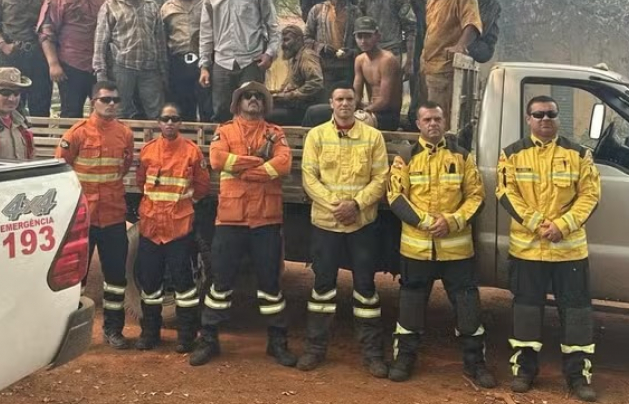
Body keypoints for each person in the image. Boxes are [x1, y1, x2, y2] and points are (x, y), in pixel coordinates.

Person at [497, 95, 602, 401]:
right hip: (528, 250)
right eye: (538, 115)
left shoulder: (579, 154)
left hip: (569, 251)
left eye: (550, 114)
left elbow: (591, 195)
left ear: (558, 119)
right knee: (526, 312)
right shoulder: (512, 154)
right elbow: (506, 193)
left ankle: (578, 376)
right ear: (528, 119)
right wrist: (538, 223)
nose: (545, 120)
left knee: (577, 314)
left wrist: (563, 225)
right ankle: (524, 371)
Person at [189, 81, 297, 368]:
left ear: (264, 104)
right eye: (247, 96)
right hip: (230, 220)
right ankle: (209, 338)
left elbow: (284, 165)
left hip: (266, 220)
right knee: (220, 284)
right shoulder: (224, 131)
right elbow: (216, 159)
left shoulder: (275, 133)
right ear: (237, 104)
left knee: (270, 286)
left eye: (259, 97)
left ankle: (277, 342)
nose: (253, 100)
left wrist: (246, 171)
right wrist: (259, 164)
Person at [385, 102, 494, 387]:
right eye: (427, 119)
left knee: (468, 308)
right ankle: (404, 359)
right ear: (418, 125)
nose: (433, 123)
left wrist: (452, 221)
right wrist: (423, 222)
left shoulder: (461, 156)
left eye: (438, 118)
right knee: (410, 307)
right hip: (416, 248)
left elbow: (476, 197)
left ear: (445, 122)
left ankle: (475, 364)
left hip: (456, 250)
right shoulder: (405, 157)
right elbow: (396, 196)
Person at [298, 87, 390, 376]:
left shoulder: (373, 137)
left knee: (365, 289)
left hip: (361, 224)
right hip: (326, 223)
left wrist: (356, 205)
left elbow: (381, 178)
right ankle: (315, 348)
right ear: (331, 104)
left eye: (350, 99)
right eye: (339, 99)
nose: (345, 104)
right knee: (323, 287)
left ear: (356, 103)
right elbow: (309, 177)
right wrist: (336, 206)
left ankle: (373, 353)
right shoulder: (317, 136)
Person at [56, 81, 136, 349]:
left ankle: (113, 331)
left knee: (115, 279)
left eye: (115, 99)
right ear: (93, 102)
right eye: (105, 99)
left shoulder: (124, 134)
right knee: (74, 279)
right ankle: (70, 333)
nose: (111, 104)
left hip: (113, 217)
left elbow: (123, 167)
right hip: (83, 219)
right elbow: (61, 172)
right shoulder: (77, 134)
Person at [134, 104, 211, 352]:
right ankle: (149, 334)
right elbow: (140, 182)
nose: (169, 123)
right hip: (150, 229)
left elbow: (202, 187)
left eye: (174, 119)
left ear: (180, 123)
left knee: (184, 287)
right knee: (150, 286)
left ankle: (186, 337)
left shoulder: (191, 152)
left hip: (179, 229)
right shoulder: (147, 152)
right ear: (158, 122)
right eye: (165, 119)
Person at [199, 0, 281, 122]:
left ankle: (254, 149)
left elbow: (273, 25)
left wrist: (270, 53)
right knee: (221, 111)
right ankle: (222, 148)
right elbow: (206, 34)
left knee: (254, 109)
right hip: (222, 62)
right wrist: (205, 66)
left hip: (251, 61)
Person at [93, 0, 167, 120]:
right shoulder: (110, 6)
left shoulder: (151, 6)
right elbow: (100, 43)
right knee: (120, 111)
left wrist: (163, 69)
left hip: (149, 68)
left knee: (156, 112)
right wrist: (101, 74)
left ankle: (155, 144)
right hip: (122, 67)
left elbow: (159, 41)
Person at [38, 0, 107, 119]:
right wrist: (53, 64)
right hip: (70, 65)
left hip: (97, 65)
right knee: (71, 112)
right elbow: (46, 33)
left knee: (101, 112)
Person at [421, 0, 481, 120]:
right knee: (428, 117)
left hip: (445, 69)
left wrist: (460, 46)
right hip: (429, 68)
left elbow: (472, 23)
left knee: (440, 120)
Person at [161, 0, 211, 122]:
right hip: (179, 61)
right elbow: (162, 38)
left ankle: (207, 144)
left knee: (206, 106)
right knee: (182, 106)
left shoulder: (207, 2)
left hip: (203, 60)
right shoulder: (167, 8)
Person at [357, 0, 415, 81]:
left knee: (393, 90)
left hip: (394, 51)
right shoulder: (365, 1)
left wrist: (409, 60)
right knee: (375, 91)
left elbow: (410, 28)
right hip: (372, 52)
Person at [305, 0, 360, 92]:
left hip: (348, 68)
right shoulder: (317, 10)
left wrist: (351, 52)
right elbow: (306, 39)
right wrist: (321, 47)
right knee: (325, 104)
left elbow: (362, 40)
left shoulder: (356, 12)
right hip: (324, 67)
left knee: (346, 101)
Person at [352, 17, 403, 131]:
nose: (363, 41)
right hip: (369, 110)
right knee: (320, 113)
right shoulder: (360, 60)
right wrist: (348, 108)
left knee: (356, 122)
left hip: (387, 115)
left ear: (377, 36)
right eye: (359, 37)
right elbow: (356, 95)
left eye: (368, 36)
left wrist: (365, 110)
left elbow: (385, 101)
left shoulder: (387, 60)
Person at [267, 24, 324, 125]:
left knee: (266, 115)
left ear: (298, 40)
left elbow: (316, 82)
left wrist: (290, 95)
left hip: (303, 108)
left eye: (287, 40)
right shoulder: (293, 59)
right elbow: (289, 86)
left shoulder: (307, 56)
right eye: (282, 41)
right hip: (292, 105)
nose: (283, 45)